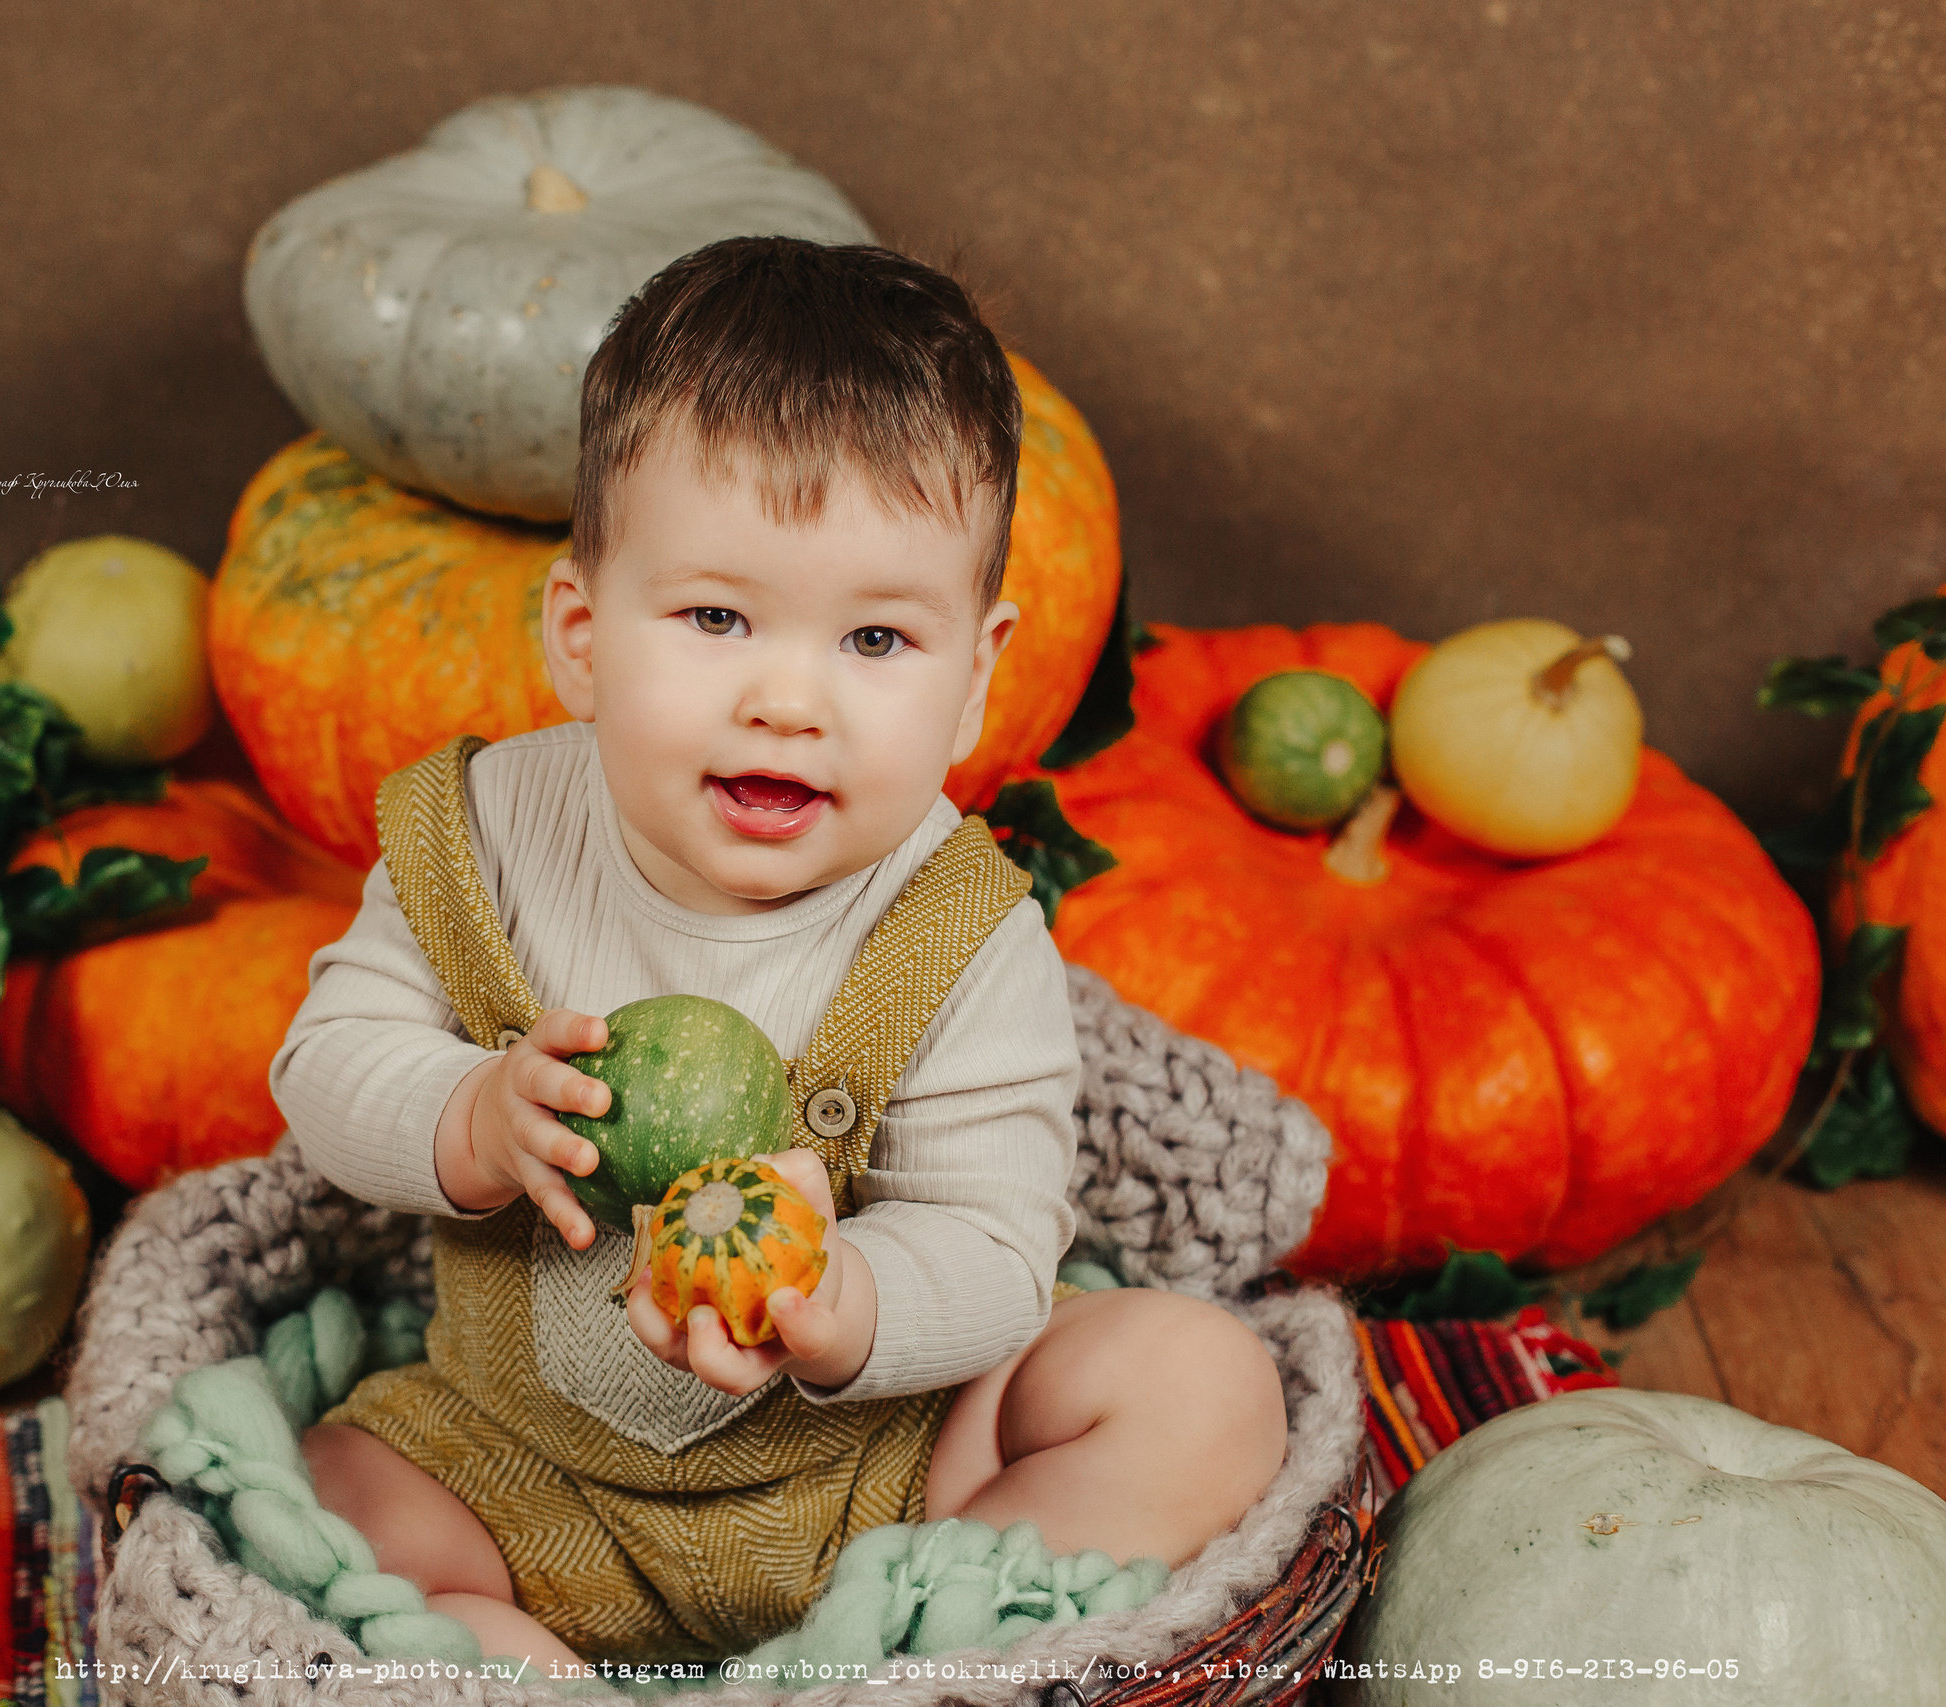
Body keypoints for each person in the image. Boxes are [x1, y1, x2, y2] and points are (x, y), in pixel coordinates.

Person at [269, 236, 1287, 1678]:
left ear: (976, 676)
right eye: (715, 618)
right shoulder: (483, 835)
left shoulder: (962, 924)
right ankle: (528, 1664)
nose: (787, 701)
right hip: (521, 1474)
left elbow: (1000, 1246)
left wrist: (845, 1304)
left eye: (875, 638)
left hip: (889, 1481)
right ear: (581, 634)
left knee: (1204, 1382)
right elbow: (320, 1071)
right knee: (314, 1501)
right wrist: (472, 1113)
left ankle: (903, 1654)